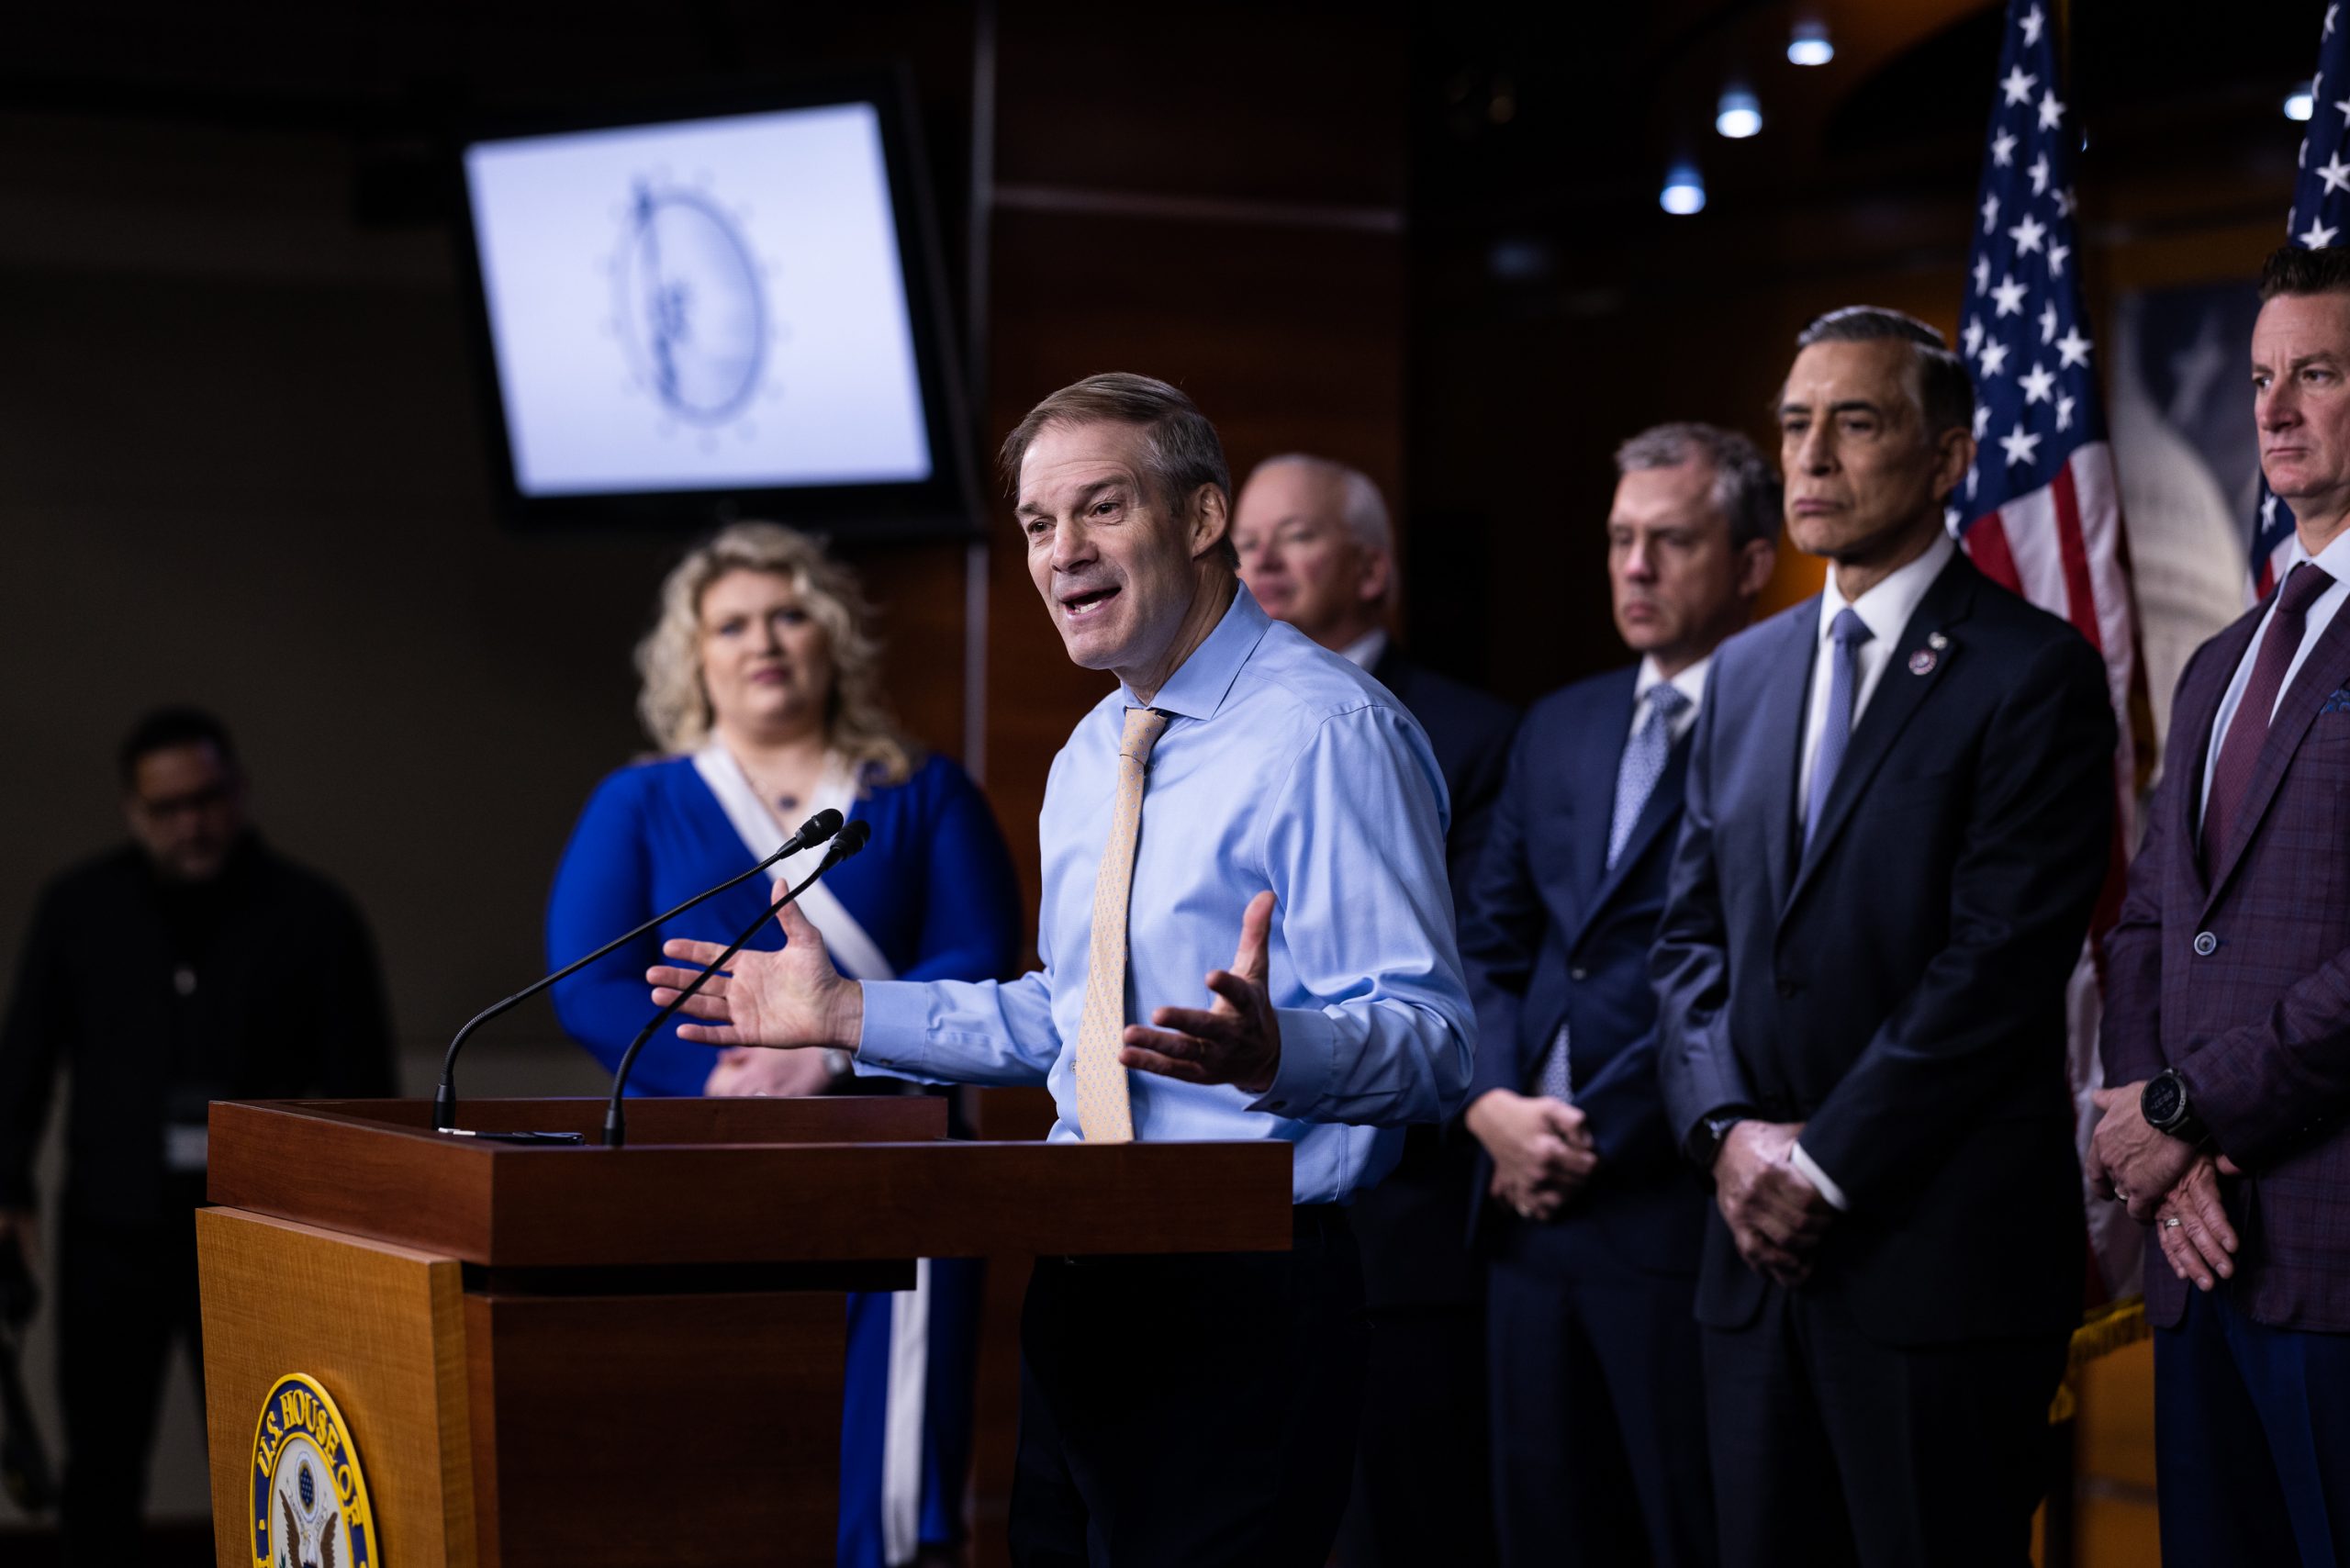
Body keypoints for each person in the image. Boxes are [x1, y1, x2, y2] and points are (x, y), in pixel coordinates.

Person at [644, 374, 1475, 1567]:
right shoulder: (1095, 751)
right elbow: (1064, 1019)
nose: (1062, 552)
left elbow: (1438, 1043)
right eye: (1038, 524)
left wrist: (1281, 1051)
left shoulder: (1329, 733)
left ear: (1199, 521)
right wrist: (839, 1015)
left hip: (1246, 1288)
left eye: (1100, 510)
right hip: (1083, 1275)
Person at [1652, 308, 2116, 1566]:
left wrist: (1824, 1167)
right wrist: (1726, 1135)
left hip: (1935, 1270)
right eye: (1796, 424)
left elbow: (1999, 964)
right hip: (1753, 1269)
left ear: (1949, 457)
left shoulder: (2035, 673)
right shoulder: (1741, 675)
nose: (1810, 458)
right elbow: (1688, 944)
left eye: (1854, 424)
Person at [546, 522, 1023, 1568]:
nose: (763, 640)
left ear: (833, 637)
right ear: (695, 656)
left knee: (890, 1469)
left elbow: (980, 952)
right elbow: (588, 980)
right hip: (704, 1158)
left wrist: (829, 1050)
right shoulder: (641, 800)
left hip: (897, 1163)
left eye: (789, 613)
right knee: (721, 1447)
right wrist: (717, 1075)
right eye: (732, 624)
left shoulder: (920, 789)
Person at [1460, 422, 1777, 1568]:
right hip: (1521, 1215)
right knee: (1541, 1531)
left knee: (1686, 1530)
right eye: (1619, 540)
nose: (1634, 568)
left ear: (1748, 562)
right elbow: (1487, 947)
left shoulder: (1787, 723)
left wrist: (1602, 1132)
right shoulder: (1561, 722)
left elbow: (1766, 975)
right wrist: (1490, 1101)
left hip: (1672, 1212)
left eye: (1670, 541)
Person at [2088, 244, 2350, 1567]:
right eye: (2259, 377)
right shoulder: (2221, 659)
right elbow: (2148, 928)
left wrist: (2192, 1111)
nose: (2272, 409)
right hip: (2197, 1258)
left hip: (2335, 1257)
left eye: (2316, 373)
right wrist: (2151, 1130)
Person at [0, 708, 395, 1565]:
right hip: (112, 1229)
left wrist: (356, 1234)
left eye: (208, 798)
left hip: (257, 1231)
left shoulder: (314, 915)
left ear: (240, 793)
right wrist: (9, 1191)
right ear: (134, 812)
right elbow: (23, 1060)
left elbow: (364, 1093)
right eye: (168, 807)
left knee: (274, 1451)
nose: (193, 822)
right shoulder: (79, 909)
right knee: (100, 1465)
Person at [1234, 453, 1516, 1568]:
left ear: (1373, 569)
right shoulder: (1178, 729)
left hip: (1394, 1221)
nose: (1258, 559)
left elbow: (1481, 958)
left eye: (1292, 537)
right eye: (1246, 538)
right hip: (1223, 1214)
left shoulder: (1463, 728)